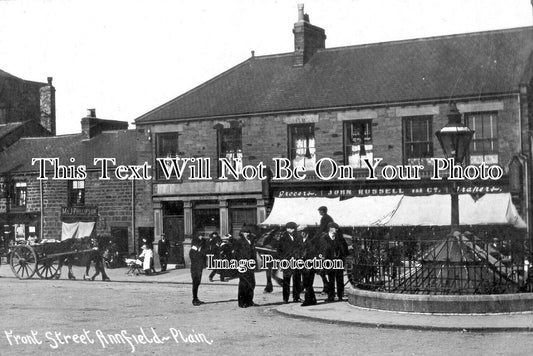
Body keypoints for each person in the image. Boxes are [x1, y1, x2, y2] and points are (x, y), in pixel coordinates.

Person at [321, 222, 349, 302]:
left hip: (338, 262)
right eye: (334, 228)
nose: (336, 229)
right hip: (328, 262)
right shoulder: (324, 238)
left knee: (340, 279)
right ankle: (331, 296)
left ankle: (340, 296)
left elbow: (345, 251)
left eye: (337, 228)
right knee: (331, 279)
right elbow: (321, 249)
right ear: (330, 228)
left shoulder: (340, 238)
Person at [277, 221, 301, 303]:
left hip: (296, 262)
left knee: (297, 280)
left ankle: (296, 297)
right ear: (288, 229)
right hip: (287, 262)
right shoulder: (283, 238)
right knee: (286, 281)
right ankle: (285, 298)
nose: (293, 230)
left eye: (294, 228)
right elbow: (279, 251)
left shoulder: (297, 237)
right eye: (291, 228)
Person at [234, 226, 257, 308]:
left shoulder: (251, 241)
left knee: (252, 284)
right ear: (242, 233)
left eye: (248, 232)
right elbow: (235, 254)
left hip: (250, 265)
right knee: (243, 284)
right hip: (243, 265)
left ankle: (249, 301)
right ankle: (242, 302)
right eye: (245, 232)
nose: (247, 234)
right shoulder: (239, 242)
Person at [298, 226, 318, 306]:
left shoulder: (310, 241)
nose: (301, 233)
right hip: (304, 265)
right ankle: (313, 300)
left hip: (309, 265)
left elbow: (312, 253)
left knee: (307, 283)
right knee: (308, 284)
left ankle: (308, 300)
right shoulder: (303, 240)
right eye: (300, 232)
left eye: (303, 232)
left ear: (306, 232)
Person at [317, 206, 334, 294]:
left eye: (319, 211)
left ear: (322, 211)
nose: (319, 212)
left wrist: (317, 234)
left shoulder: (324, 218)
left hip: (326, 235)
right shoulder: (329, 217)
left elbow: (322, 228)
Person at [190, 233, 208, 306]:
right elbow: (195, 259)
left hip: (199, 268)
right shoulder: (193, 251)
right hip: (195, 269)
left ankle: (196, 298)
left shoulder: (198, 250)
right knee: (195, 283)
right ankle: (194, 299)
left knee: (197, 283)